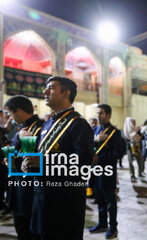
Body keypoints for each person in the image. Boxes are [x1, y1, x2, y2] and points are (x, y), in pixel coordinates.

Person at [21, 76, 94, 240]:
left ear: (66, 93)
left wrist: (43, 162)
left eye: (51, 88)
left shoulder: (78, 123)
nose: (44, 91)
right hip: (42, 198)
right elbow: (43, 156)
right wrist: (29, 163)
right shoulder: (48, 124)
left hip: (64, 203)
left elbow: (83, 161)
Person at [4, 95, 44, 240]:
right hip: (19, 187)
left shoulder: (40, 128)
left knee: (29, 230)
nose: (10, 118)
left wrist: (16, 161)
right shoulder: (23, 128)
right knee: (21, 227)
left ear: (19, 111)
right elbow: (16, 152)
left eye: (10, 113)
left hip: (30, 190)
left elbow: (36, 159)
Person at [89, 104, 121, 239]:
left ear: (108, 115)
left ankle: (113, 227)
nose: (98, 115)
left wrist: (99, 158)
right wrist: (95, 140)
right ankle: (102, 223)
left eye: (101, 113)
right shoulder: (95, 130)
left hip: (107, 171)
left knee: (110, 201)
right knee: (99, 199)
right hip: (96, 171)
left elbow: (117, 153)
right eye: (97, 113)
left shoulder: (115, 132)